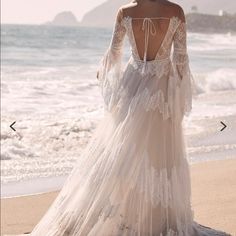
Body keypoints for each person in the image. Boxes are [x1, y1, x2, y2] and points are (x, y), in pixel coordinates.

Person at [30, 0, 231, 235]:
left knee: (123, 151)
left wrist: (105, 77)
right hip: (161, 89)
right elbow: (181, 60)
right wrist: (178, 97)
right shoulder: (174, 11)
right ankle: (154, 216)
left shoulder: (125, 12)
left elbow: (114, 54)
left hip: (132, 83)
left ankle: (116, 213)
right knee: (158, 154)